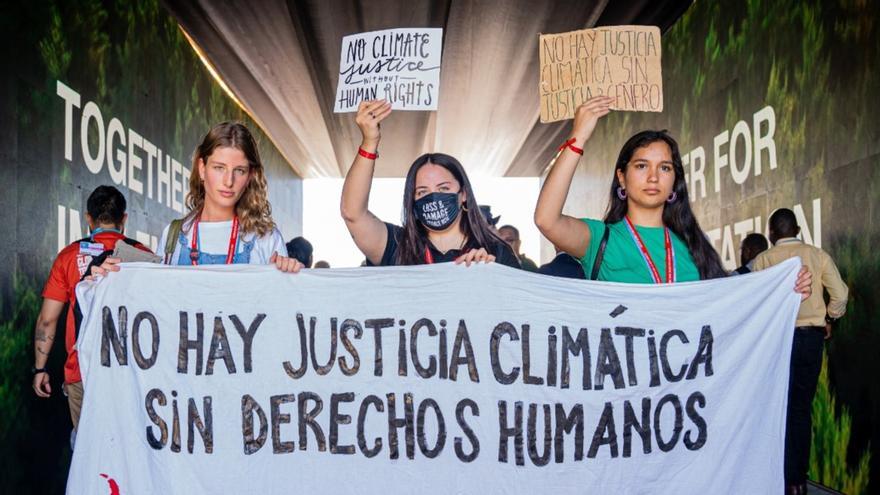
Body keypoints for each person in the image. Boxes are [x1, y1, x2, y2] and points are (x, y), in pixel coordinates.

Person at [534, 96, 812, 292]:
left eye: (664, 168)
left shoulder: (693, 244)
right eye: (641, 166)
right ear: (622, 177)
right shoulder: (600, 240)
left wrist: (786, 288)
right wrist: (578, 138)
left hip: (687, 376)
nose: (653, 176)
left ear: (674, 180)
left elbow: (730, 304)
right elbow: (546, 219)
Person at [92, 122, 302, 276]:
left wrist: (290, 276)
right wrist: (107, 280)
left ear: (250, 176)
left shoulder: (265, 238)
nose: (228, 181)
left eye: (239, 170)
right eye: (219, 168)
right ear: (202, 169)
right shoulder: (174, 235)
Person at [341, 100, 520, 268]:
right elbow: (353, 214)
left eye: (443, 188)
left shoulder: (496, 252)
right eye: (422, 192)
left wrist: (494, 276)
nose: (433, 197)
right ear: (412, 200)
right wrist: (369, 142)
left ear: (464, 194)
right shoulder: (397, 245)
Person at [33, 185, 152, 434]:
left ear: (88, 218)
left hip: (81, 370)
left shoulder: (68, 256)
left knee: (87, 455)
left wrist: (41, 368)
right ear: (124, 219)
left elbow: (47, 320)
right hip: (132, 373)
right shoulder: (144, 255)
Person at [752, 208, 848, 495]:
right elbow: (841, 294)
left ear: (771, 233)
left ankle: (778, 477)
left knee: (777, 408)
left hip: (776, 340)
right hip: (810, 339)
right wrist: (829, 317)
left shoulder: (763, 260)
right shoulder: (817, 255)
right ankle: (798, 482)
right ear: (797, 229)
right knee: (800, 409)